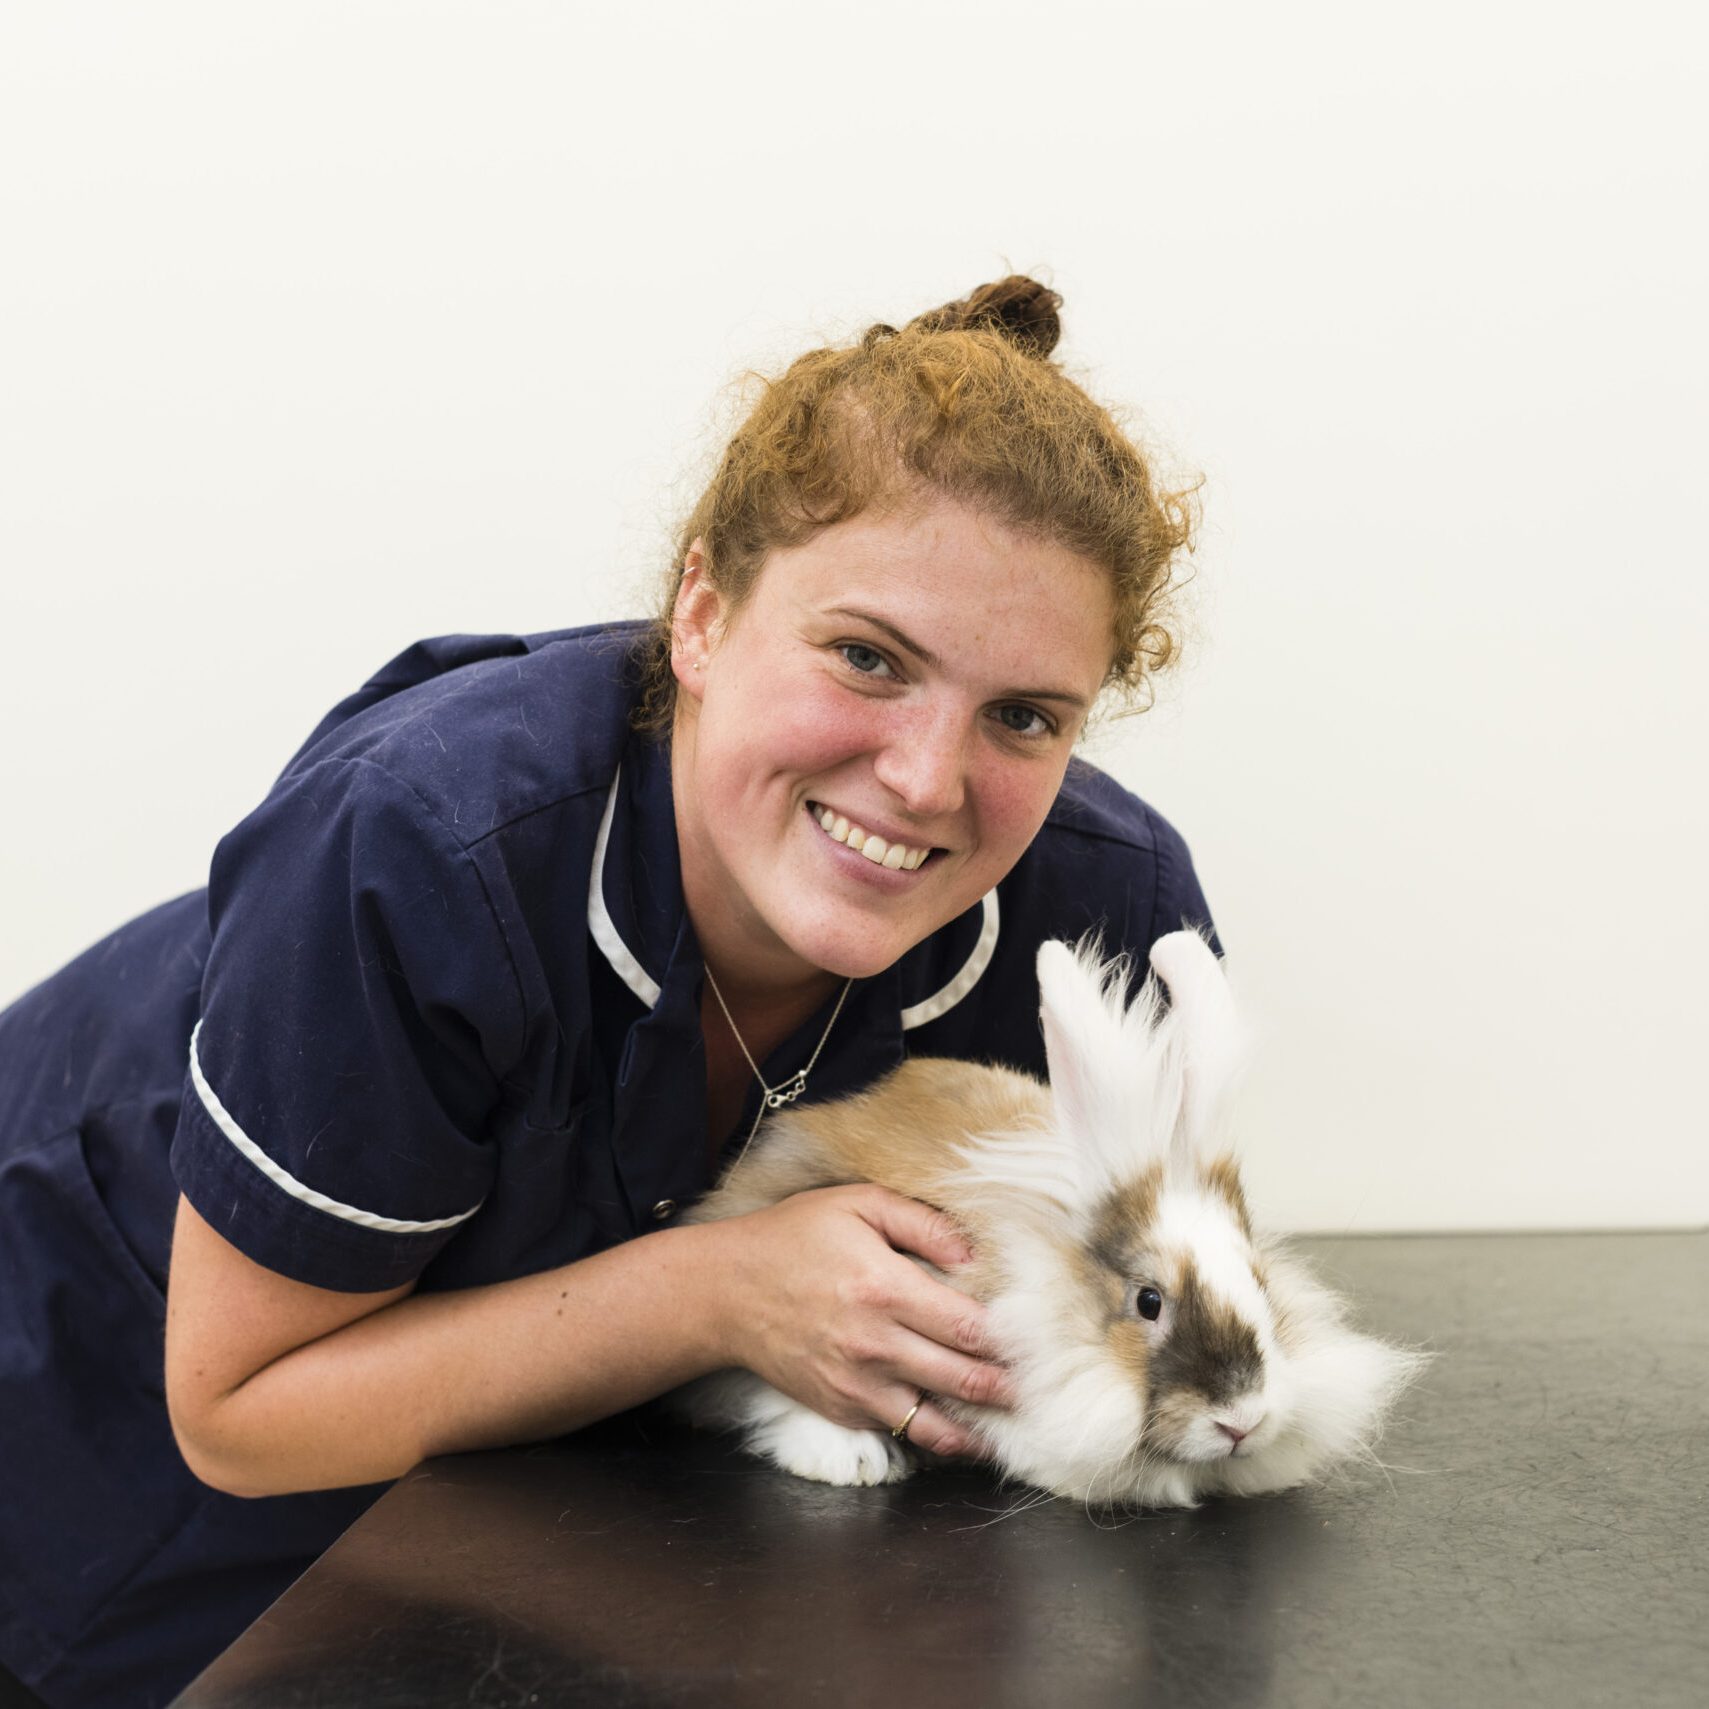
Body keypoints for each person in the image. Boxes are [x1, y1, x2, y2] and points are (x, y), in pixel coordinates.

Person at [0, 276, 1217, 1709]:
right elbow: (240, 1411)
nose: (926, 777)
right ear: (699, 613)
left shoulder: (1101, 919)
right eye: (866, 656)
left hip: (529, 1545)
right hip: (91, 1421)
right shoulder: (422, 849)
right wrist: (719, 1291)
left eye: (1023, 715)